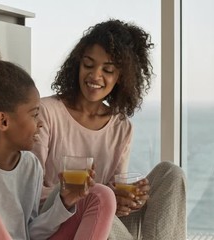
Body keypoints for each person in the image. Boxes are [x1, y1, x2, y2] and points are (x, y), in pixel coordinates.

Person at [0, 37, 116, 240]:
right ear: (3, 121)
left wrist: (65, 202)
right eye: (34, 114)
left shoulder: (30, 165)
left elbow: (30, 232)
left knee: (101, 195)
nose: (40, 122)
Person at [32, 19, 186, 240]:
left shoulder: (121, 127)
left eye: (108, 69)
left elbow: (115, 196)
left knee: (171, 173)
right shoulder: (47, 112)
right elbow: (30, 191)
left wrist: (129, 201)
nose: (95, 76)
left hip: (104, 225)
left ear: (121, 77)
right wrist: (93, 195)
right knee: (98, 195)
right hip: (58, 221)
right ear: (77, 65)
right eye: (88, 65)